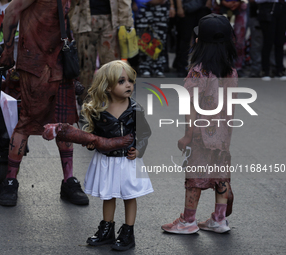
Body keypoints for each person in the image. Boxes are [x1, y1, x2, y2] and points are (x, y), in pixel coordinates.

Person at [0, 0, 89, 206]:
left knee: (64, 123)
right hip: (35, 64)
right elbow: (12, 10)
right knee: (26, 122)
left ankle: (69, 181)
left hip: (60, 62)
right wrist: (7, 49)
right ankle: (10, 180)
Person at [161, 13, 237, 234]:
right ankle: (219, 219)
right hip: (223, 136)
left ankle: (188, 221)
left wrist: (188, 134)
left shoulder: (198, 70)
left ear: (198, 42)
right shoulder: (231, 70)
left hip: (201, 135)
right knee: (220, 174)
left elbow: (190, 104)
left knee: (195, 176)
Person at [80, 60, 153, 251]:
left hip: (128, 160)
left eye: (130, 80)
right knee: (108, 195)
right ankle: (107, 229)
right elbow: (93, 135)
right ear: (108, 86)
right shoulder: (99, 110)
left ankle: (128, 233)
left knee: (129, 196)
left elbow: (144, 133)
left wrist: (138, 149)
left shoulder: (135, 109)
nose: (128, 85)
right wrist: (91, 143)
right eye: (121, 81)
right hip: (107, 160)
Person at [68, 0, 133, 105]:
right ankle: (86, 102)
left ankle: (110, 102)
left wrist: (126, 21)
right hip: (83, 19)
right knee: (85, 67)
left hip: (110, 19)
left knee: (111, 65)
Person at [256, 0, 286, 80]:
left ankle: (279, 70)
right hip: (267, 9)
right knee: (268, 41)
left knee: (280, 41)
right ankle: (265, 70)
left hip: (281, 9)